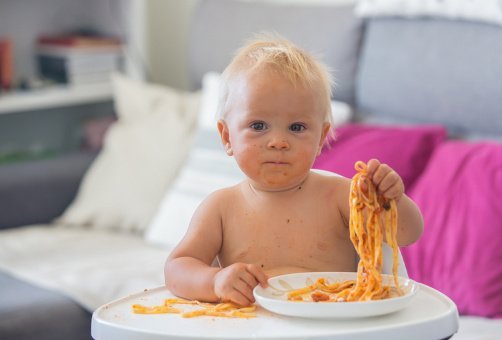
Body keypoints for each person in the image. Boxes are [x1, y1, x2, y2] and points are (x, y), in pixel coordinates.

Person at [164, 35, 424, 307]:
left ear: (321, 138)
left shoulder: (341, 196)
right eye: (258, 126)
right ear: (227, 136)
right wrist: (215, 281)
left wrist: (390, 200)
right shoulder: (220, 207)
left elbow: (407, 234)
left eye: (297, 127)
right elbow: (177, 268)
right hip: (253, 331)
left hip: (332, 327)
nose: (278, 141)